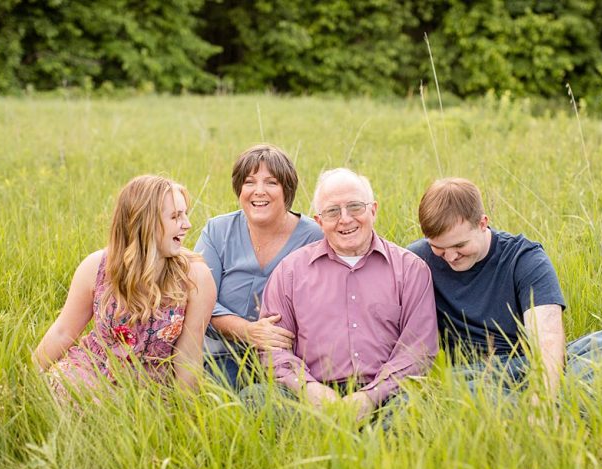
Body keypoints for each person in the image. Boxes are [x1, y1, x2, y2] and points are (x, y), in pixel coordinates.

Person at [407, 178, 602, 400]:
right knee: (429, 393)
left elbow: (548, 338)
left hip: (529, 366)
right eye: (438, 247)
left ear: (483, 223)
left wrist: (542, 396)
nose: (450, 257)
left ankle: (536, 411)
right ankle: (549, 414)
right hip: (471, 377)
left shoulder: (525, 258)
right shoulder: (415, 260)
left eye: (460, 245)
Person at [248, 168, 438, 421]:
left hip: (387, 396)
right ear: (319, 220)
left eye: (355, 207)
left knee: (417, 410)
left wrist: (370, 396)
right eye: (332, 211)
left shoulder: (411, 269)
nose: (345, 219)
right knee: (255, 399)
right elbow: (273, 350)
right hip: (310, 395)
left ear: (373, 210)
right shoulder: (290, 272)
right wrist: (309, 389)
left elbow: (418, 350)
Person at [33, 175, 216, 399]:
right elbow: (63, 332)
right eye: (176, 216)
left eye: (185, 214)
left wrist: (188, 417)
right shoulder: (97, 266)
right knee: (67, 396)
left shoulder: (196, 277)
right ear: (146, 223)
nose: (187, 224)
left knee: (126, 420)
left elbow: (188, 354)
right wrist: (26, 380)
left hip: (151, 387)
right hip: (93, 369)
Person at [194, 144, 322, 388]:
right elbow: (199, 299)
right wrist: (248, 331)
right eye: (249, 182)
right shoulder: (217, 231)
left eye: (271, 182)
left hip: (287, 358)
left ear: (287, 190)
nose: (258, 191)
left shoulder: (313, 237)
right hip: (221, 354)